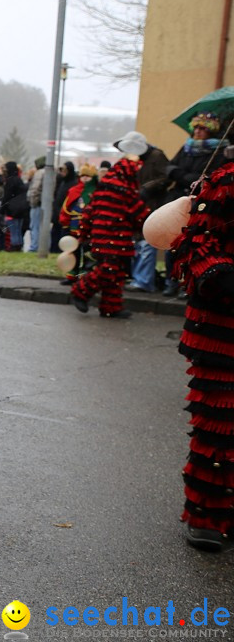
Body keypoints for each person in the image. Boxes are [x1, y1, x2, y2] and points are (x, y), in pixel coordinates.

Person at [170, 142, 234, 553]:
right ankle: (207, 517)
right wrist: (224, 278)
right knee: (221, 424)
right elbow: (194, 245)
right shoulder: (226, 182)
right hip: (223, 327)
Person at [70, 157, 147, 318]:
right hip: (116, 238)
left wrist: (82, 234)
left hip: (100, 238)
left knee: (115, 272)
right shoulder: (126, 191)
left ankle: (111, 307)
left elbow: (89, 212)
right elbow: (140, 215)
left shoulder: (102, 188)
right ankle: (80, 291)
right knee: (109, 270)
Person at [163, 112, 226, 297]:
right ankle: (170, 281)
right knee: (172, 241)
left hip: (200, 203)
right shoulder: (186, 147)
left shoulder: (220, 151)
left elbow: (209, 176)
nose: (198, 132)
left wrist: (183, 176)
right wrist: (183, 176)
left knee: (191, 245)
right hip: (178, 199)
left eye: (203, 128)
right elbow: (170, 167)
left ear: (211, 131)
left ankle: (186, 283)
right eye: (196, 128)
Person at [119, 132, 168, 293]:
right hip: (138, 205)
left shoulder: (157, 156)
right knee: (139, 243)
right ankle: (139, 278)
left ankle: (144, 280)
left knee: (147, 243)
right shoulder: (137, 159)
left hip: (152, 204)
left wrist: (147, 188)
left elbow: (165, 177)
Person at [58, 163, 97, 283]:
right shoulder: (74, 190)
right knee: (72, 252)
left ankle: (85, 277)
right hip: (74, 225)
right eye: (83, 176)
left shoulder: (96, 192)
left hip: (89, 227)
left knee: (87, 253)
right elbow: (66, 208)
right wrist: (65, 223)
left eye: (88, 176)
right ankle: (72, 275)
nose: (85, 178)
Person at [1, 161, 28, 252]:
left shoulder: (10, 180)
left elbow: (7, 196)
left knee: (13, 229)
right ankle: (19, 245)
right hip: (21, 208)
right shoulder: (19, 180)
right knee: (18, 229)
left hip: (12, 209)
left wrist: (2, 208)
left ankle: (14, 246)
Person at [51, 161, 77, 251]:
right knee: (55, 235)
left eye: (64, 170)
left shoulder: (72, 183)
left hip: (64, 215)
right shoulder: (62, 182)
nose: (62, 173)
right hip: (57, 214)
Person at [26, 157, 46, 252]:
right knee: (42, 227)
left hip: (37, 204)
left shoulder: (39, 173)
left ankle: (34, 247)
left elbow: (35, 189)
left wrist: (32, 202)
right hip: (44, 204)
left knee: (34, 226)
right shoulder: (49, 172)